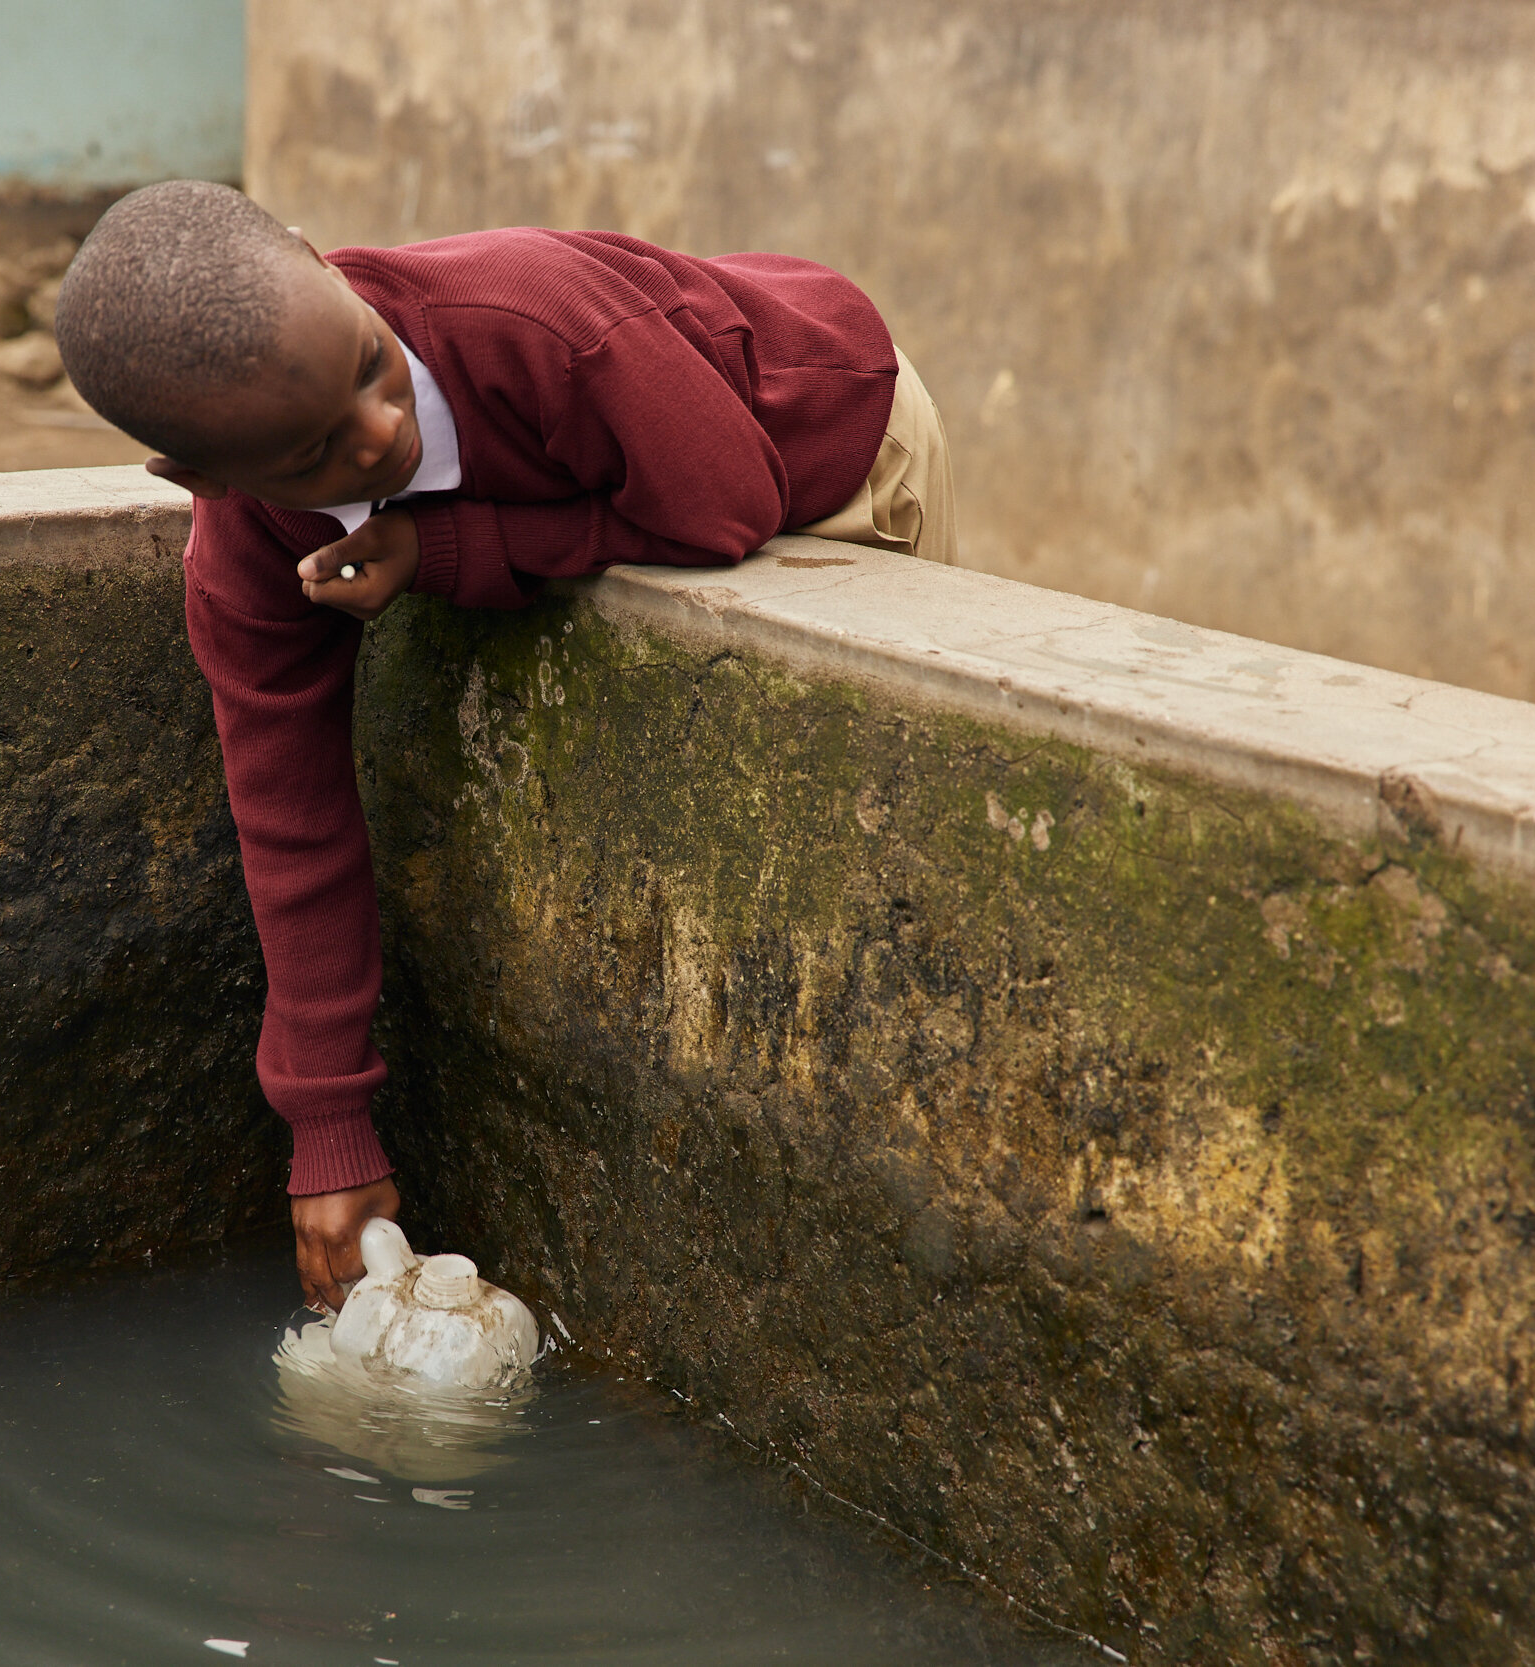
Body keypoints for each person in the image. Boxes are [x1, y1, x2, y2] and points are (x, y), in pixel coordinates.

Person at [53, 180, 955, 1311]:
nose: (382, 432)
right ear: (205, 481)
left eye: (372, 368)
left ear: (320, 261)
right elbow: (293, 825)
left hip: (821, 433)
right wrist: (328, 1131)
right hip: (653, 450)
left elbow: (725, 508)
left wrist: (445, 550)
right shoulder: (243, 560)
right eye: (317, 452)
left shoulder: (536, 322)